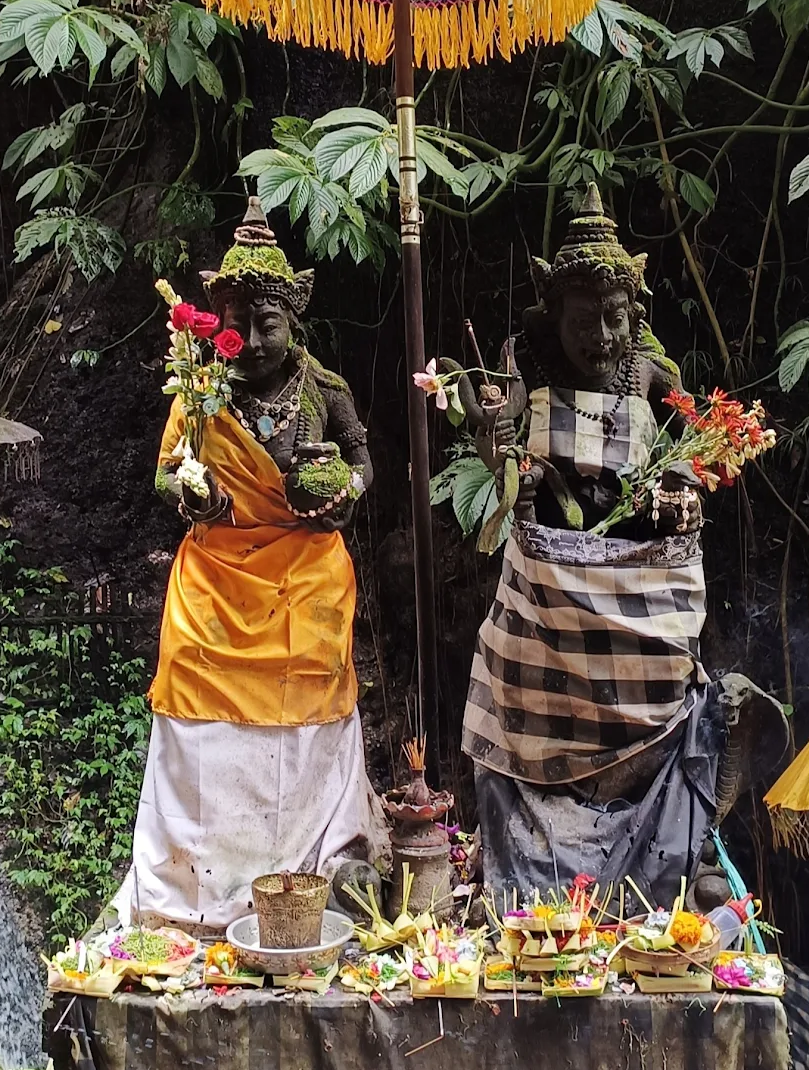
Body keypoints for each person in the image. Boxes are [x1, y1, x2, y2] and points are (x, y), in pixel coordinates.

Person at [450, 186, 766, 904]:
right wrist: (499, 449)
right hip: (548, 592)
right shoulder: (523, 365)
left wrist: (675, 496)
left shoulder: (651, 374)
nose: (600, 338)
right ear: (551, 311)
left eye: (615, 318)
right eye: (583, 321)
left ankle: (670, 859)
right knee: (512, 680)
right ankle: (524, 867)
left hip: (638, 581)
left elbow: (691, 451)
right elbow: (498, 448)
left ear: (635, 312)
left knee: (672, 683)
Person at [113, 200, 385, 933]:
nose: (255, 340)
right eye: (240, 323)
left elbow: (363, 462)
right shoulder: (199, 392)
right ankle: (200, 884)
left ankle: (312, 870)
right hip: (218, 571)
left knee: (313, 684)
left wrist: (345, 496)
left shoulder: (324, 389)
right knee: (194, 682)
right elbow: (167, 474)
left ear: (294, 320)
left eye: (270, 323)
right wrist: (190, 495)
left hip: (306, 572)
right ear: (216, 320)